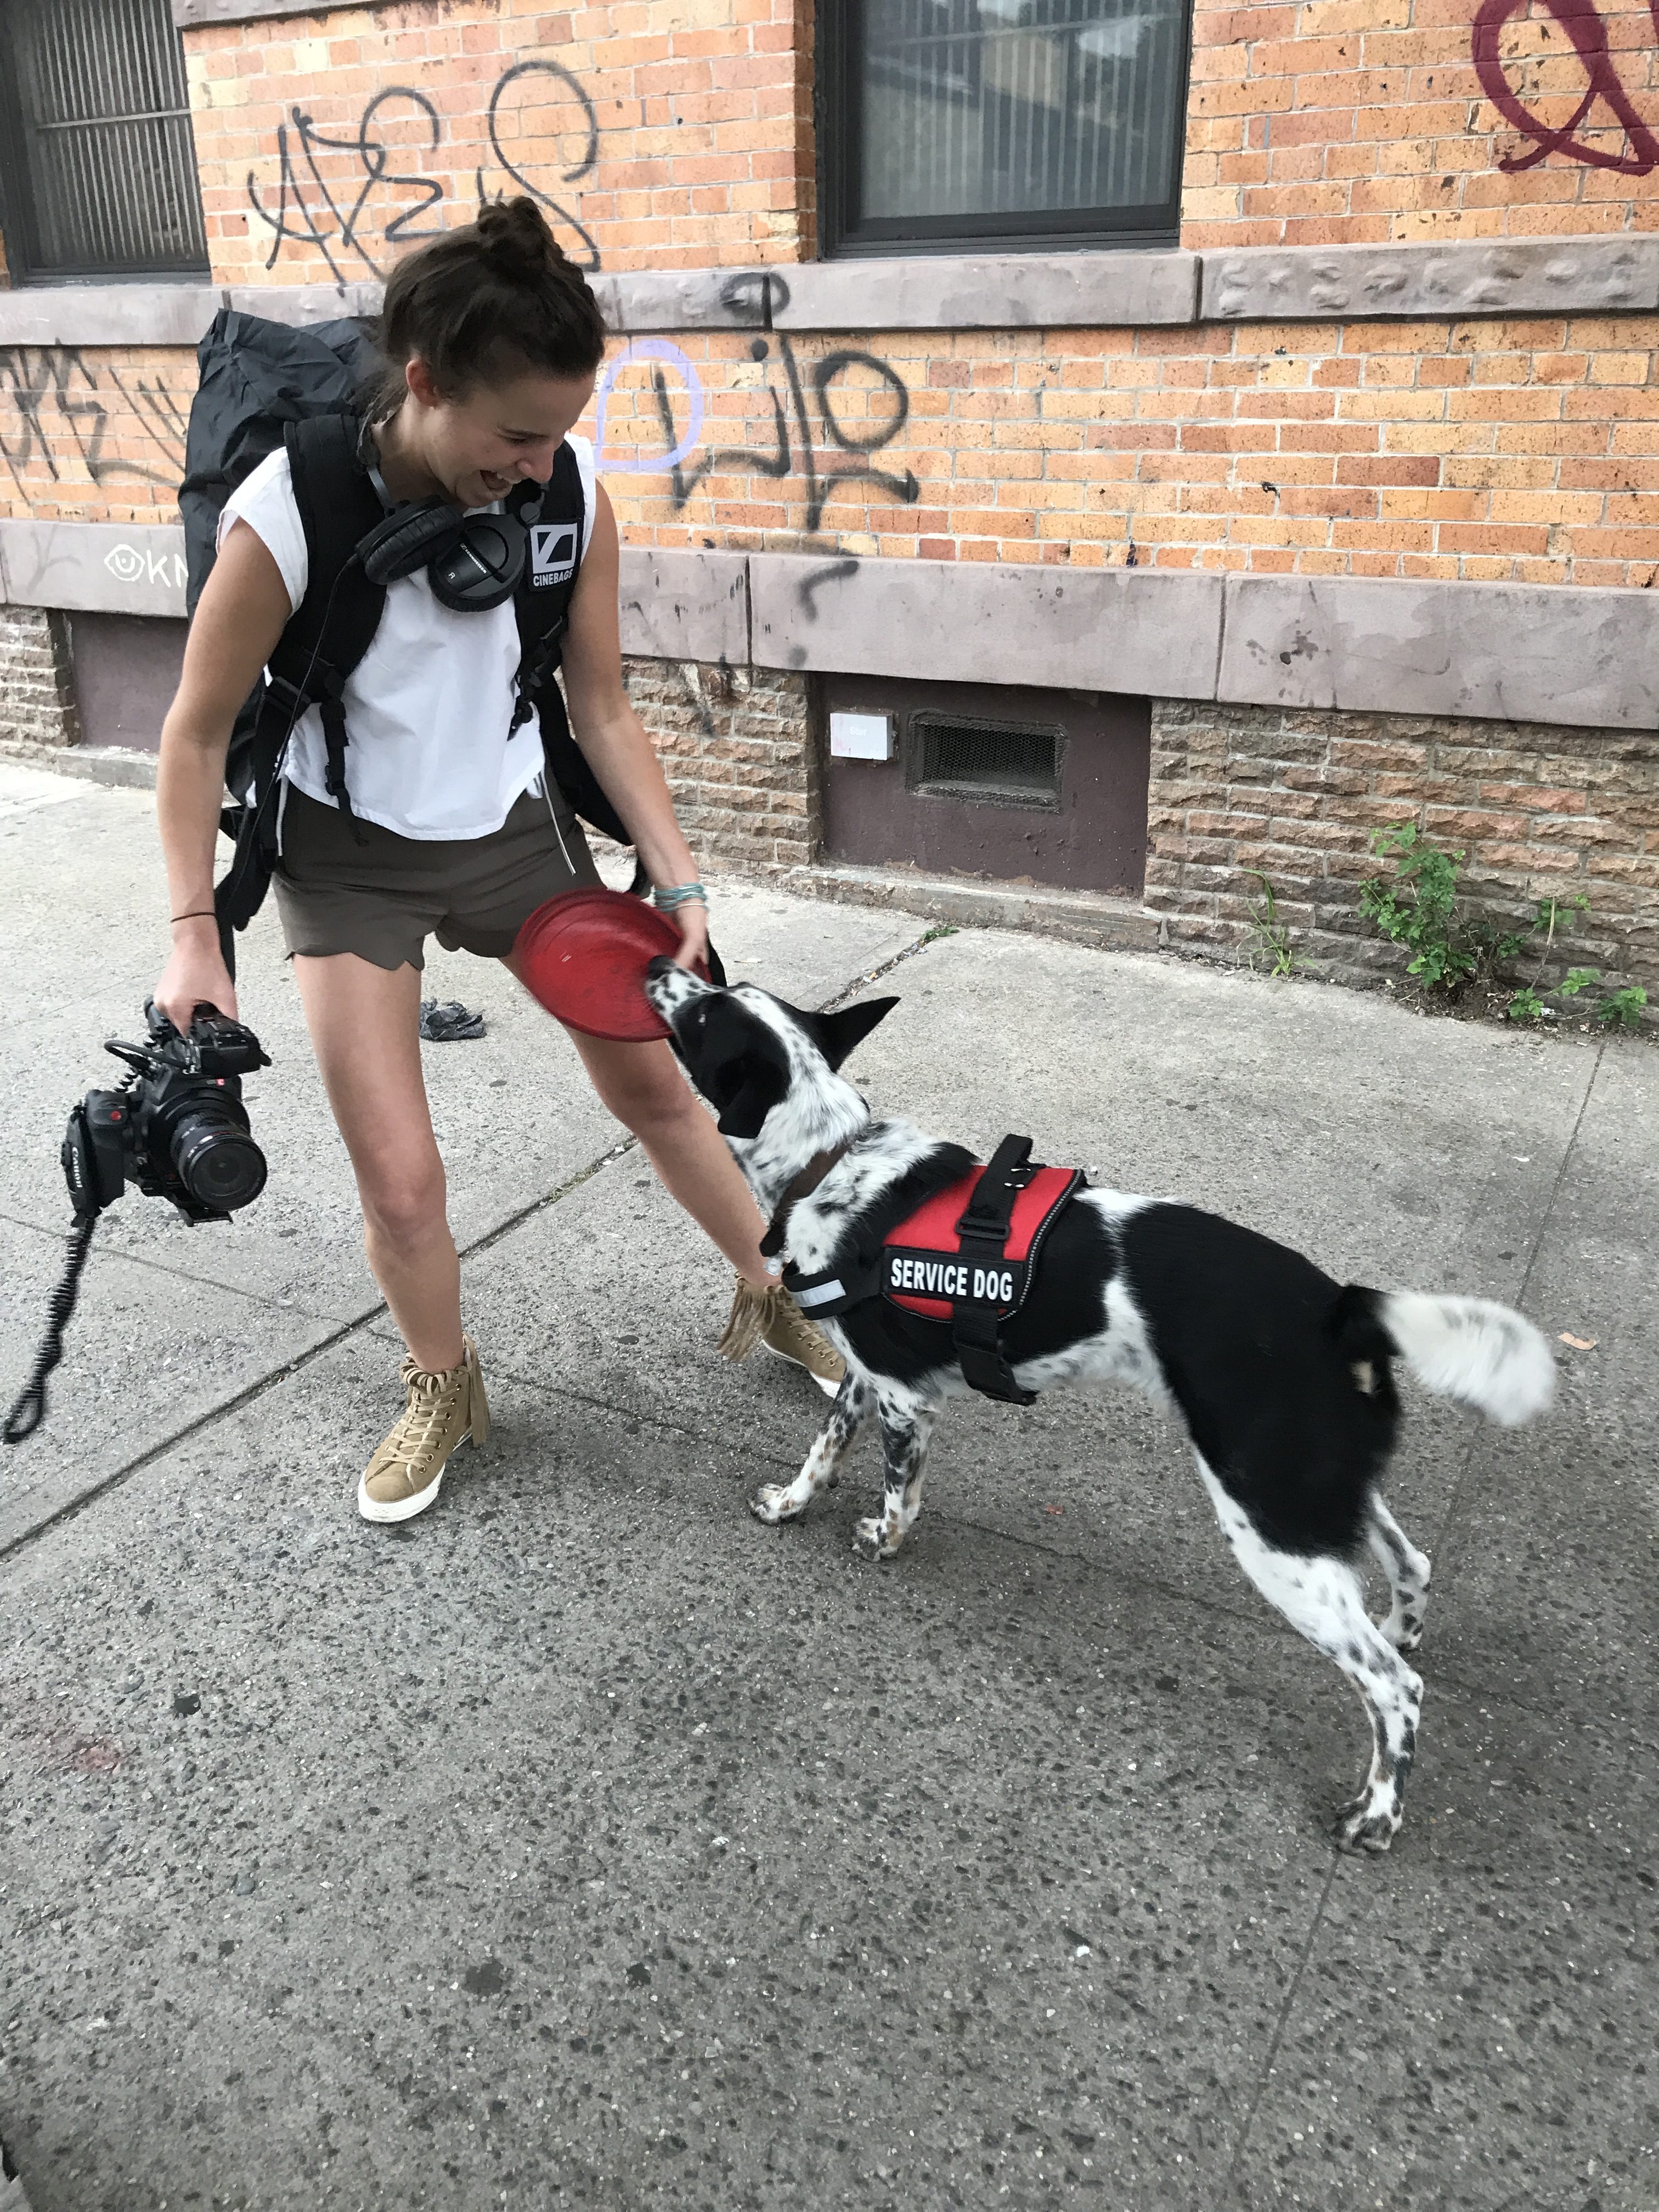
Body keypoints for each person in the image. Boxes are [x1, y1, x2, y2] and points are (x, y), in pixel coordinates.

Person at [153, 198, 843, 1525]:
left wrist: (678, 878)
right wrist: (196, 931)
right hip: (351, 859)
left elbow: (603, 706)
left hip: (522, 840)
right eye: (515, 434)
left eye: (560, 435)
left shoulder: (564, 492)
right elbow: (188, 740)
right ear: (423, 383)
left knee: (662, 1097)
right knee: (403, 1182)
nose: (537, 465)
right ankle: (445, 1382)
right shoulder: (289, 507)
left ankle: (774, 1290)